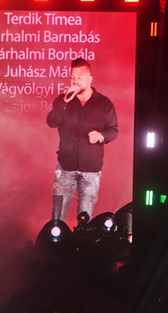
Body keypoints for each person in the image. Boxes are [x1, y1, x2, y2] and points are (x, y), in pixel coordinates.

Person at [46, 57, 118, 222]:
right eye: (72, 77)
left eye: (79, 77)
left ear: (89, 79)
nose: (75, 81)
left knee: (85, 219)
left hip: (91, 171)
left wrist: (101, 136)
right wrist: (64, 103)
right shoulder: (63, 101)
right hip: (66, 168)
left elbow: (114, 130)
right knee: (57, 217)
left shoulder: (104, 104)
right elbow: (51, 122)